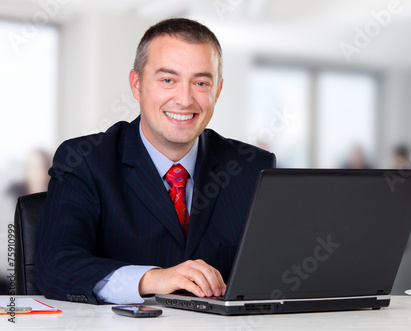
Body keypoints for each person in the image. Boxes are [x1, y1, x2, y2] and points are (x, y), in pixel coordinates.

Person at [36, 18, 276, 305]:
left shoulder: (253, 166)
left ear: (217, 91)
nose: (185, 100)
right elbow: (56, 266)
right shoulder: (84, 159)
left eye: (201, 83)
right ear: (137, 85)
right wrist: (152, 279)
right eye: (167, 80)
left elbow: (279, 267)